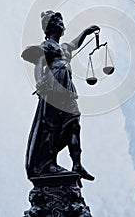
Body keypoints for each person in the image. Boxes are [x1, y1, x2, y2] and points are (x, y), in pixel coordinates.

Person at [21, 10, 100, 180]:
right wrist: (39, 82)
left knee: (74, 123)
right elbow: (40, 63)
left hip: (67, 86)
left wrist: (86, 32)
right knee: (53, 126)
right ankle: (49, 162)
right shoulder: (48, 45)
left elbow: (75, 44)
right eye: (58, 21)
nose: (62, 24)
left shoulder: (64, 48)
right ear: (50, 26)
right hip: (54, 84)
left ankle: (77, 164)